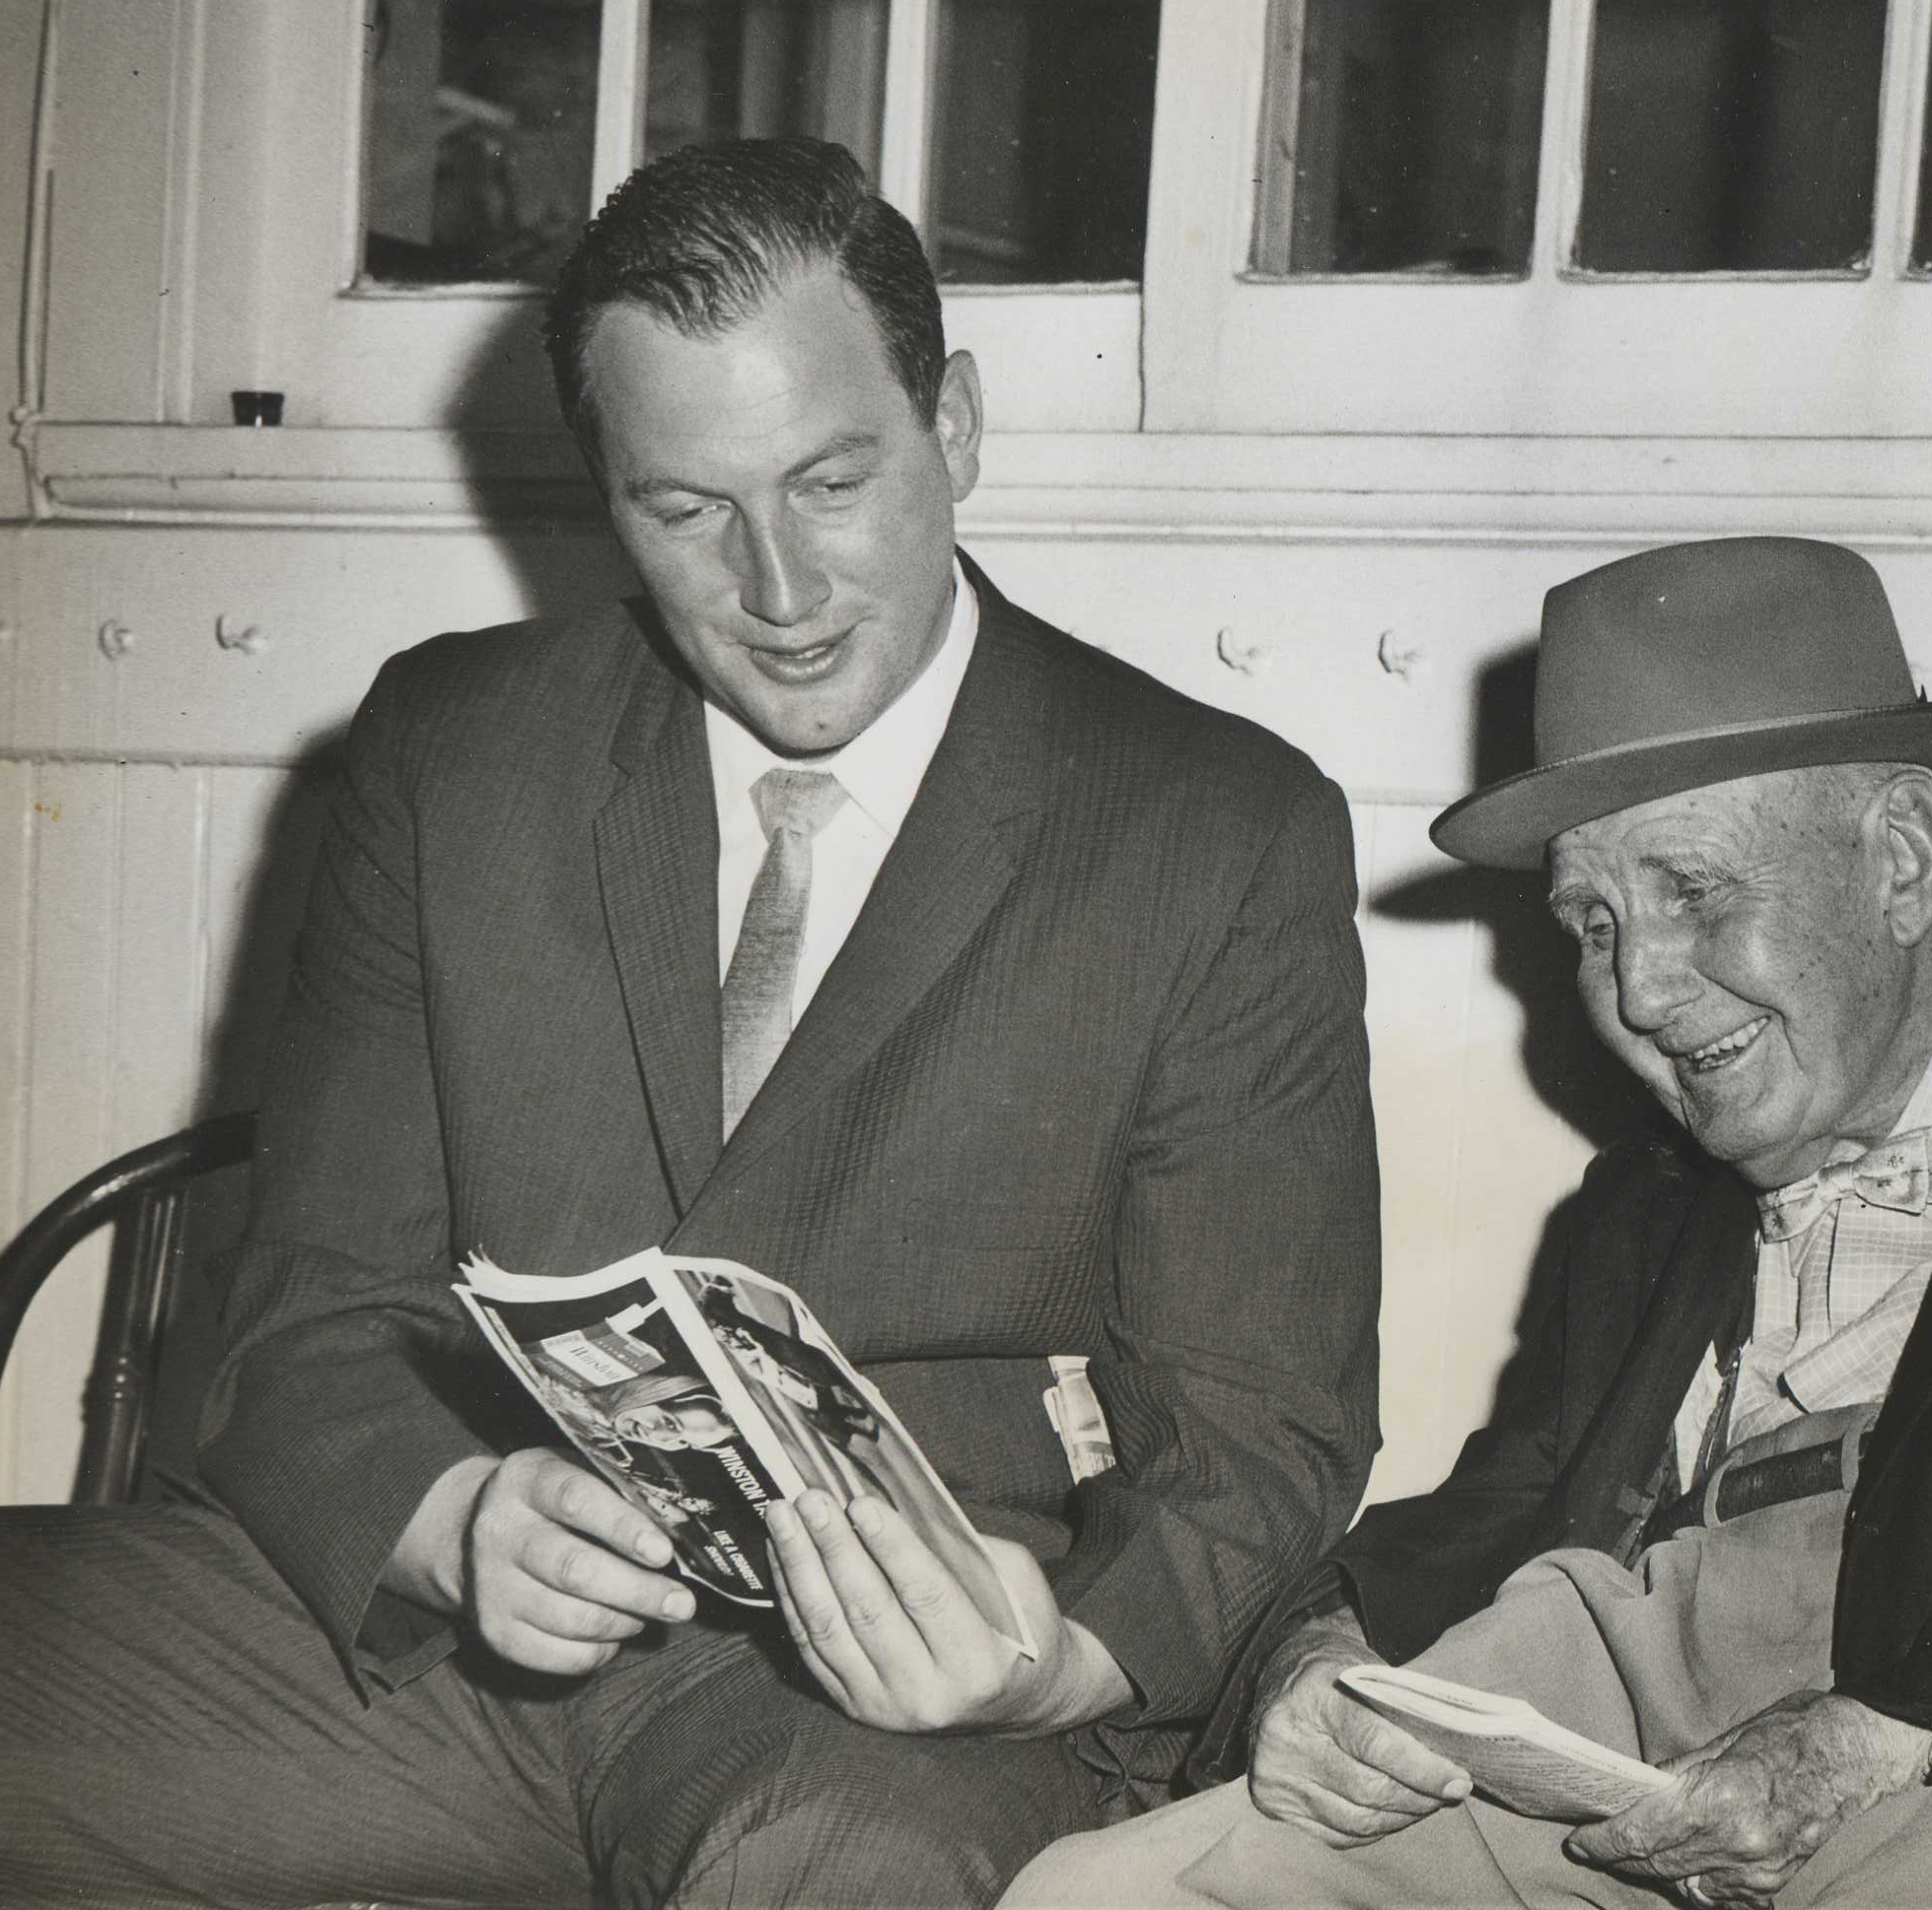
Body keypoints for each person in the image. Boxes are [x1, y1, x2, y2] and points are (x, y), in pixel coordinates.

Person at [0, 138, 1380, 1908]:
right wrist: (453, 1520)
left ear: (952, 426)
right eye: (687, 511)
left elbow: (1263, 1431)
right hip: (434, 1650)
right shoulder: (453, 751)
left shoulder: (1212, 825)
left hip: (889, 1716)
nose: (780, 592)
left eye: (830, 481)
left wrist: (1049, 1662)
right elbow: (303, 1315)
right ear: (603, 493)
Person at [1006, 534, 1932, 1910]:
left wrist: (1883, 1730)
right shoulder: (1643, 1201)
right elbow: (1500, 1514)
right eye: (1593, 922)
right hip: (1643, 1770)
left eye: (1695, 892)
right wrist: (1319, 1652)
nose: (1638, 987)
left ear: (1900, 857)